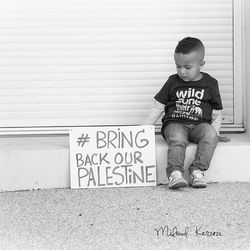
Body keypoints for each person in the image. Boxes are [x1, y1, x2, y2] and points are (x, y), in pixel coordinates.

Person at [143, 37, 230, 189]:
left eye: (187, 67)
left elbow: (216, 112)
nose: (182, 71)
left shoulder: (211, 83)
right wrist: (143, 129)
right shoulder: (172, 82)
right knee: (177, 138)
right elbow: (158, 105)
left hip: (199, 126)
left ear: (201, 65)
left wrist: (215, 134)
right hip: (175, 124)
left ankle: (197, 171)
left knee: (209, 134)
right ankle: (175, 173)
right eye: (178, 66)